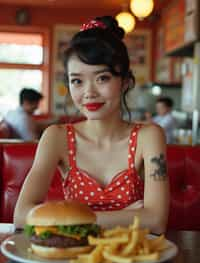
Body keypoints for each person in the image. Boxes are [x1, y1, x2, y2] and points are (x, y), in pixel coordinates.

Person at [14, 16, 169, 234]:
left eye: (102, 78)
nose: (88, 93)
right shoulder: (56, 136)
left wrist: (72, 217)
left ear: (125, 82)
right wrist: (130, 216)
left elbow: (156, 220)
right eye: (77, 80)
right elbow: (21, 216)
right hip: (70, 255)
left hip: (131, 257)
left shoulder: (149, 136)